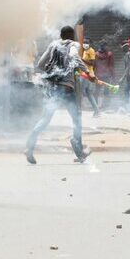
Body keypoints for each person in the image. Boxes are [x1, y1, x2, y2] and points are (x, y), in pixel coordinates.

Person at [25, 25, 92, 164]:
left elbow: (41, 63)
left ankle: (29, 147)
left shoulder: (53, 45)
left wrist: (55, 72)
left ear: (61, 36)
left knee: (45, 119)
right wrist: (87, 71)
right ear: (72, 36)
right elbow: (74, 56)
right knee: (76, 118)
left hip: (53, 88)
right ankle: (78, 148)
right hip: (67, 88)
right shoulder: (74, 44)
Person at [81, 38, 100, 117]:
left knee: (80, 91)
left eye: (87, 42)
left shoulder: (91, 51)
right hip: (86, 73)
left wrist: (82, 60)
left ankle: (78, 110)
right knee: (89, 93)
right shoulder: (85, 51)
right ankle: (97, 111)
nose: (85, 44)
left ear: (90, 43)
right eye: (84, 42)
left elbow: (92, 63)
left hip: (87, 74)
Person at [94, 42, 115, 109]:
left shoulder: (96, 54)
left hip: (98, 75)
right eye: (107, 46)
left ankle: (95, 105)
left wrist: (94, 74)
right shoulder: (109, 54)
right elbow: (111, 66)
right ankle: (105, 106)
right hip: (106, 75)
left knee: (97, 91)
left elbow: (94, 65)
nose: (108, 48)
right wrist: (113, 75)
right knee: (106, 91)